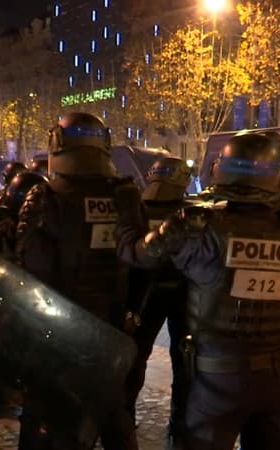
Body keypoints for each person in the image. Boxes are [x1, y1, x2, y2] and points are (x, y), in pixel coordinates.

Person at [118, 132, 280, 450]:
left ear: (221, 170)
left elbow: (135, 254)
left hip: (212, 383)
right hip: (271, 381)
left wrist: (130, 205)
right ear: (279, 176)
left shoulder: (196, 226)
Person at [15, 112, 138, 450]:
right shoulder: (125, 195)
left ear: (57, 144)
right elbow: (141, 262)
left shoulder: (46, 197)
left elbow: (30, 271)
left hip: (58, 331)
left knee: (46, 420)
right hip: (110, 328)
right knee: (114, 417)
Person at [122, 157, 193, 449]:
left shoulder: (138, 210)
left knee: (134, 360)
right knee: (185, 363)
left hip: (143, 295)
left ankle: (124, 416)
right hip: (183, 295)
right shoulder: (191, 213)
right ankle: (180, 424)